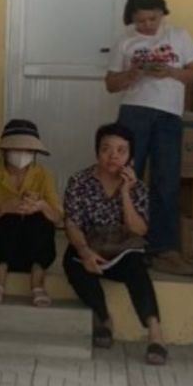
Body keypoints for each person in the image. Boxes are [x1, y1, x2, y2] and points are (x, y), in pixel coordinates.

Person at [104, 0, 193, 278]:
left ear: (162, 14)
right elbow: (110, 84)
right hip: (133, 112)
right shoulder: (125, 40)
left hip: (169, 115)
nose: (147, 25)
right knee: (125, 177)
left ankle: (164, 249)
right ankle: (123, 243)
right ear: (131, 19)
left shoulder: (178, 35)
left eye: (153, 19)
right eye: (140, 21)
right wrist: (133, 73)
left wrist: (170, 72)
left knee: (166, 181)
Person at [62, 123, 167, 365]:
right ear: (97, 152)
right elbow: (72, 223)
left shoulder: (137, 187)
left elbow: (139, 230)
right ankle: (103, 319)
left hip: (122, 250)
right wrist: (84, 251)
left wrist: (126, 193)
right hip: (91, 247)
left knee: (136, 266)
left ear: (130, 157)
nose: (113, 156)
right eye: (106, 149)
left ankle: (155, 333)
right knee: (72, 262)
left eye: (121, 151)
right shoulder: (79, 181)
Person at [0, 119, 61, 307]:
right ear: (5, 150)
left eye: (28, 150)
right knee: (5, 217)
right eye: (17, 149)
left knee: (40, 219)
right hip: (2, 247)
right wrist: (4, 207)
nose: (22, 154)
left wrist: (40, 205)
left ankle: (37, 284)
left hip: (34, 248)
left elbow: (57, 216)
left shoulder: (44, 174)